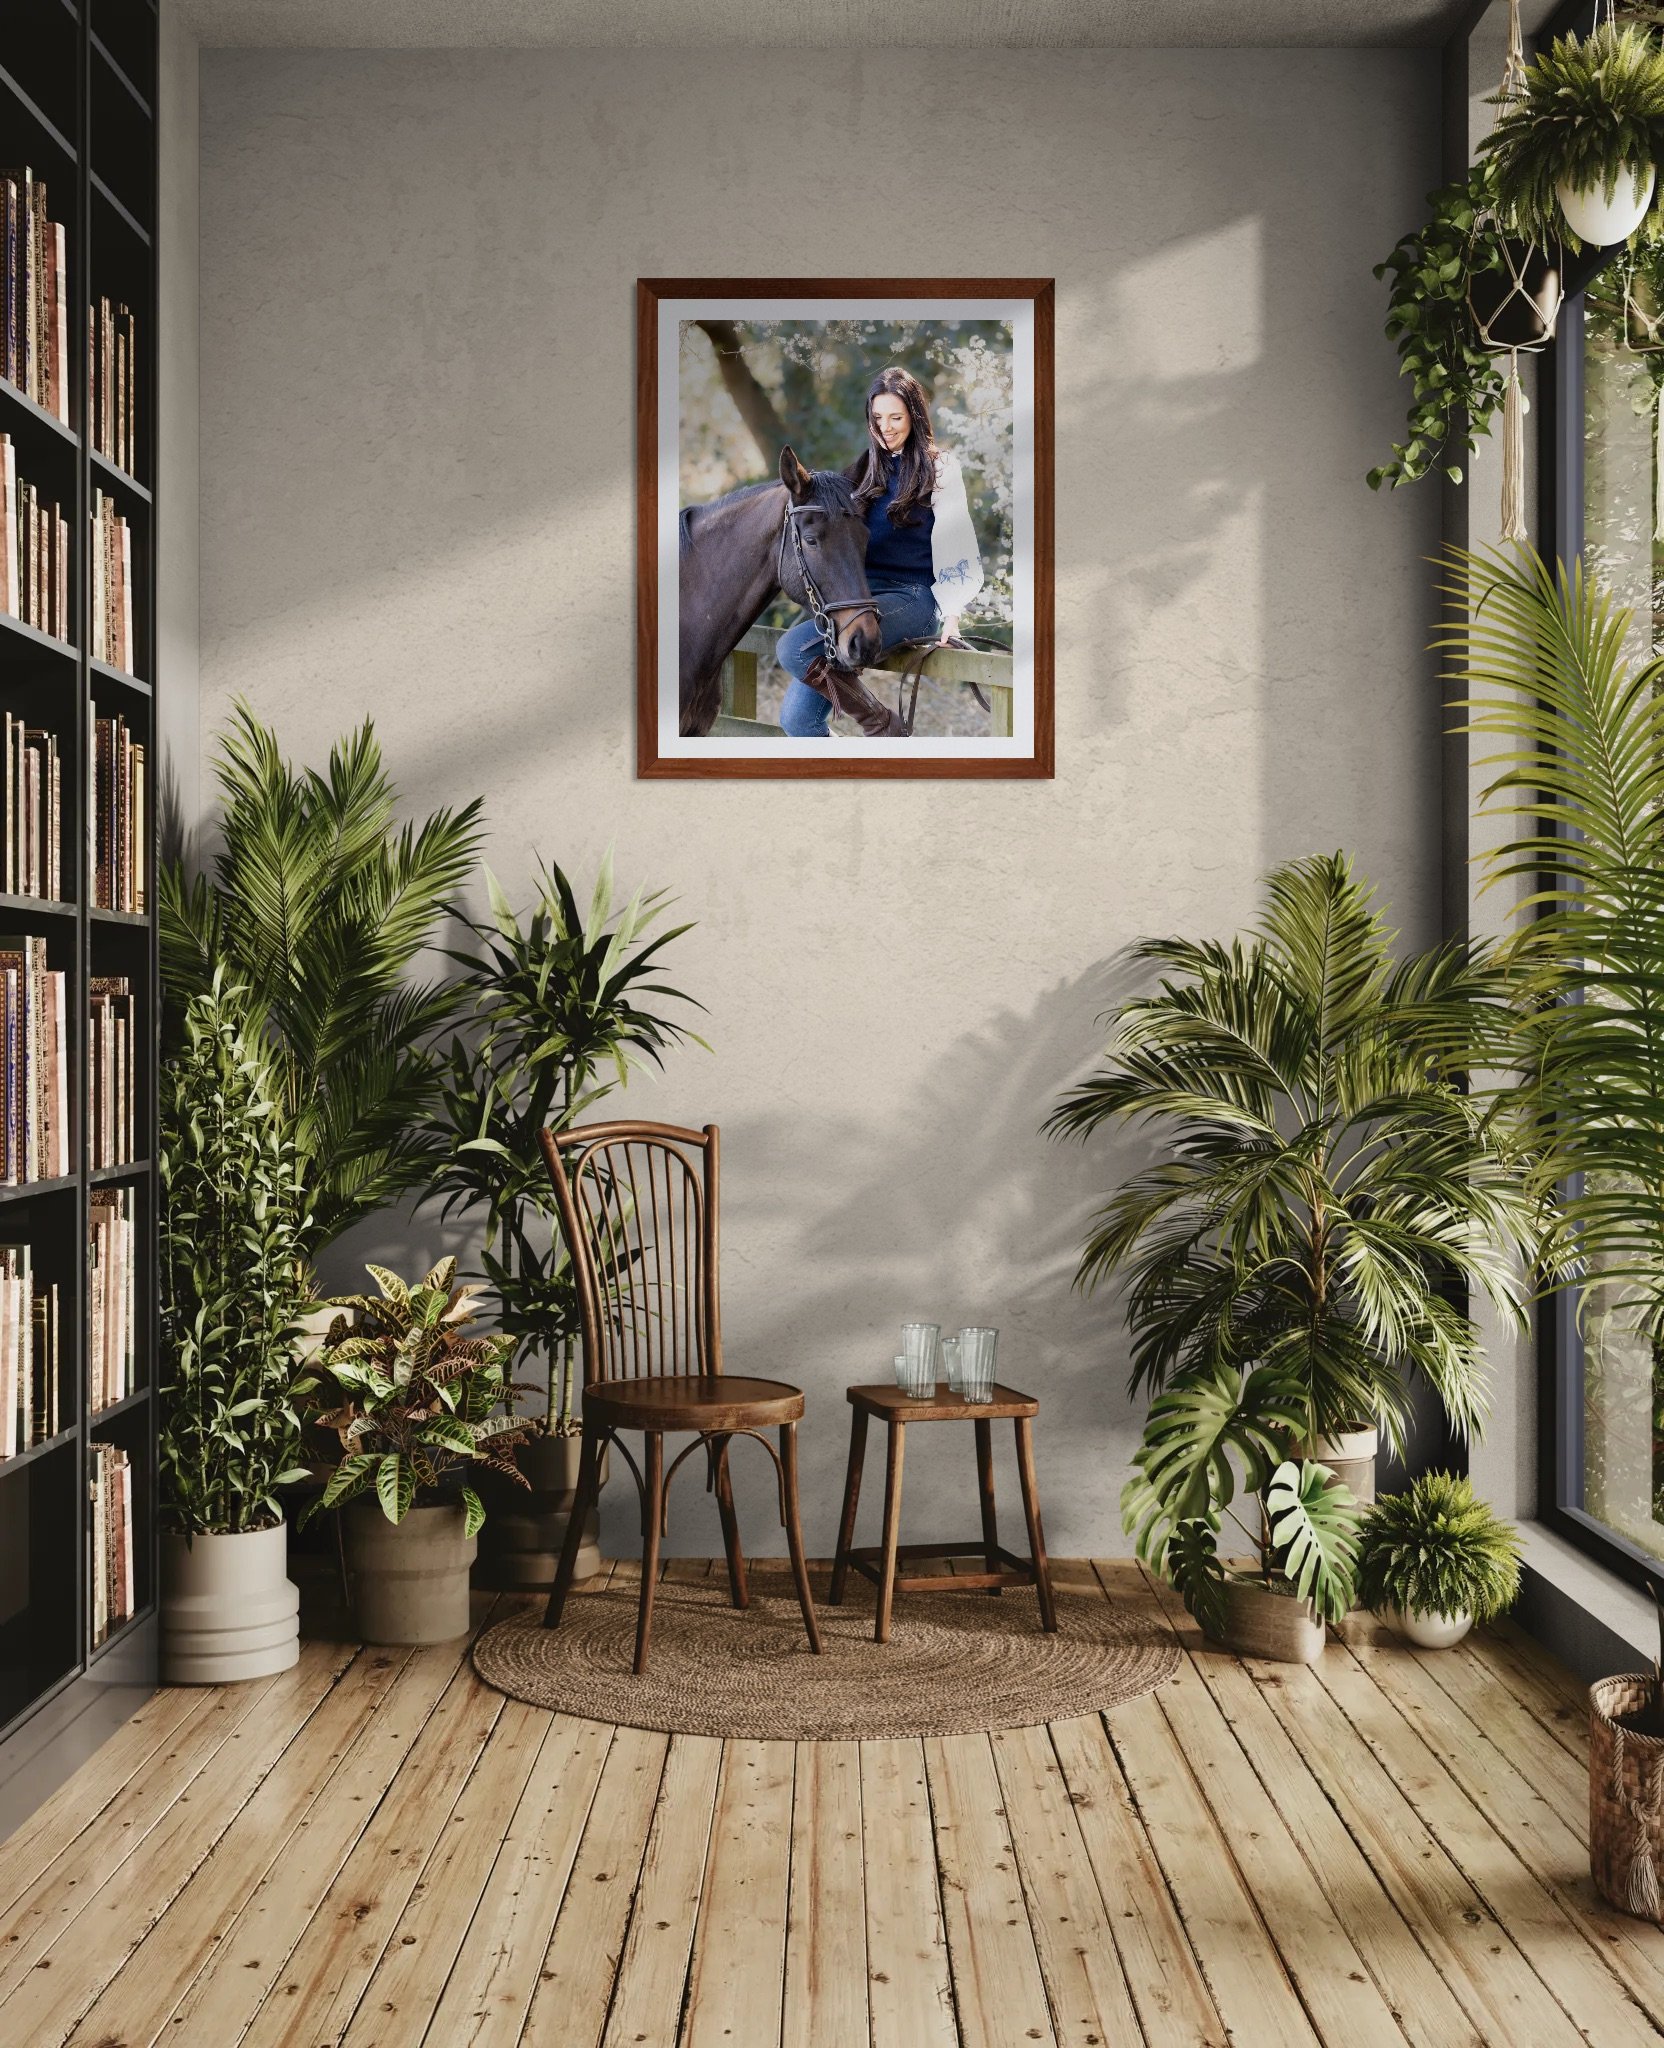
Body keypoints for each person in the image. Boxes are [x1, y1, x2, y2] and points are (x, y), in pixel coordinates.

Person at [777, 365, 983, 739]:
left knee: (794, 647)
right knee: (797, 721)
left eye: (895, 417)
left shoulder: (940, 470)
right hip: (859, 600)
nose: (885, 427)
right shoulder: (860, 472)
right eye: (876, 418)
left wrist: (952, 613)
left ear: (914, 416)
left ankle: (880, 725)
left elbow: (958, 544)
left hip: (913, 599)